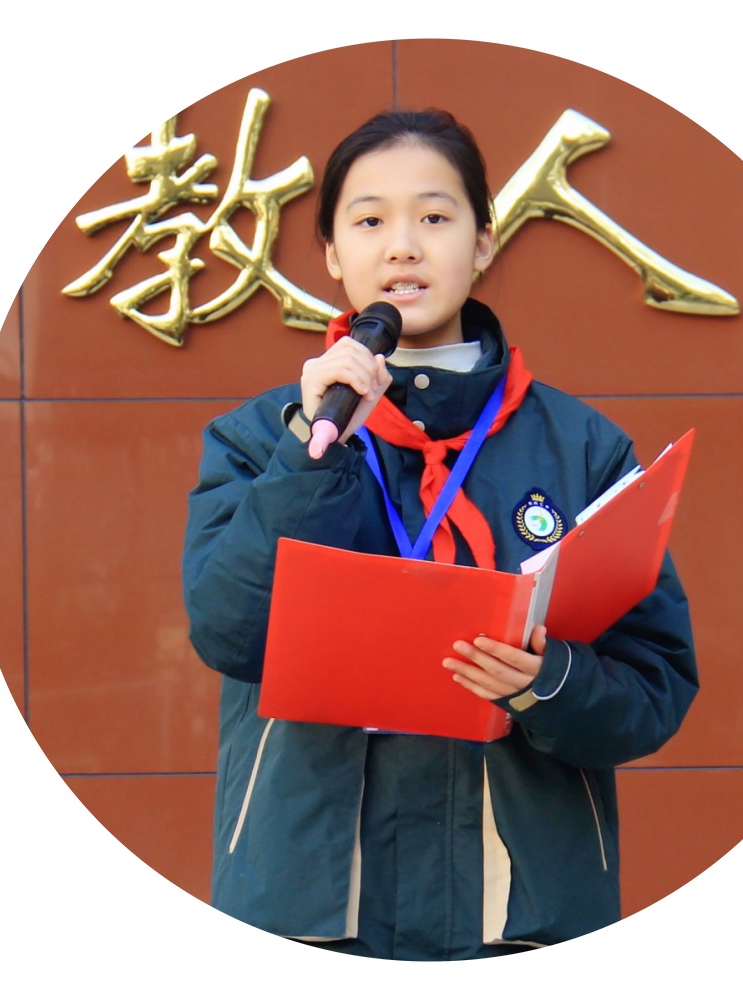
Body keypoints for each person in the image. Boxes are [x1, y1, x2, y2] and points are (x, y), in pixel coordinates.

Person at [182, 108, 698, 961]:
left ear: (483, 243)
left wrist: (548, 682)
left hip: (519, 919)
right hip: (310, 915)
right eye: (369, 222)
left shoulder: (583, 449)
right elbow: (229, 632)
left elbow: (654, 686)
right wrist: (310, 456)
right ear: (332, 255)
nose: (402, 247)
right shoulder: (263, 438)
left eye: (433, 216)